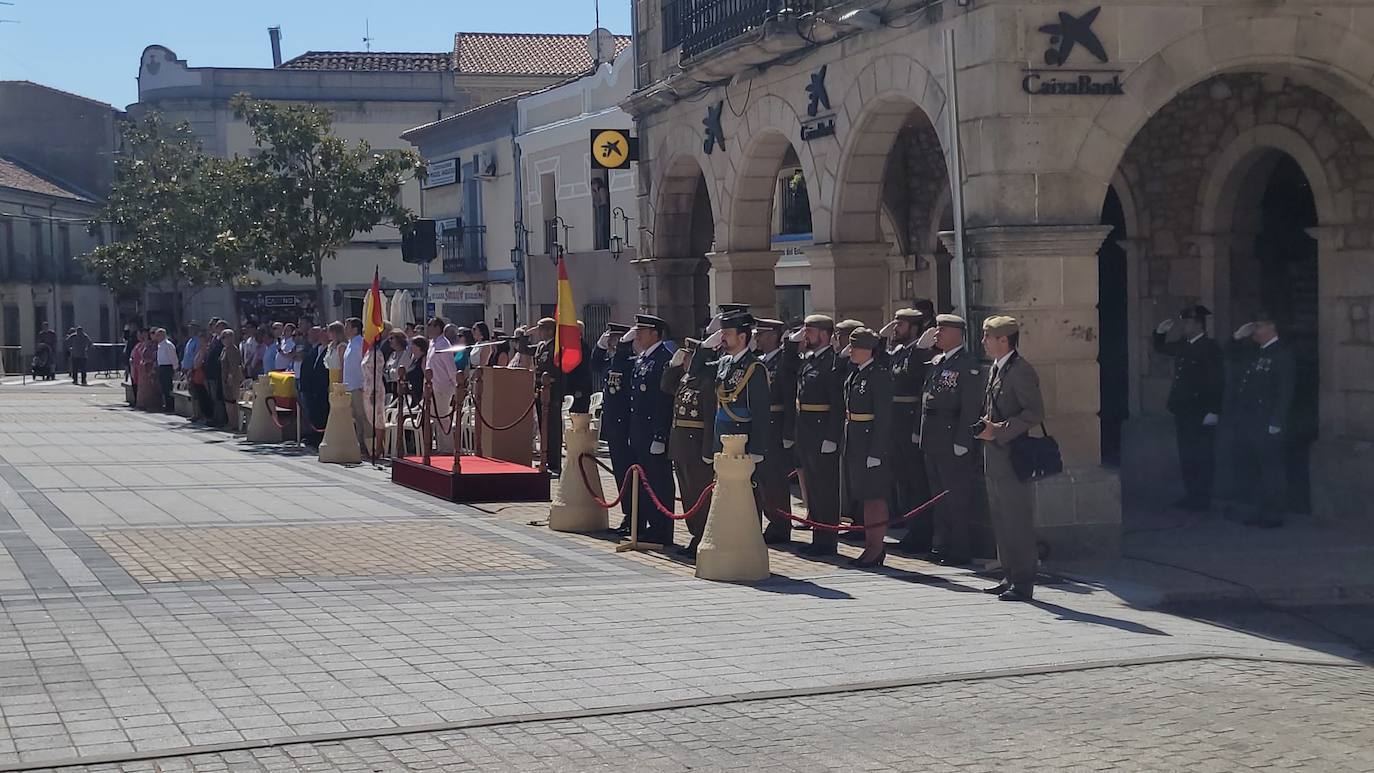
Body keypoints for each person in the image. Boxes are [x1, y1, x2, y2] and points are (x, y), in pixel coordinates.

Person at [975, 316, 1044, 602]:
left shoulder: (1021, 371)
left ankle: (1024, 581)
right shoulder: (998, 368)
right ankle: (1010, 574)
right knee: (1001, 520)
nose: (983, 342)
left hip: (1013, 456)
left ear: (1004, 339)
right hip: (995, 456)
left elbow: (1034, 413)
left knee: (1017, 520)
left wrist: (999, 430)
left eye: (988, 337)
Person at [917, 314, 984, 566]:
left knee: (956, 497)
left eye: (942, 329)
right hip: (933, 437)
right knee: (938, 497)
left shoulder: (967, 364)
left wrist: (963, 440)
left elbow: (970, 406)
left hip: (951, 437)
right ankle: (940, 545)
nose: (937, 334)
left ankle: (960, 549)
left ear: (957, 333)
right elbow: (925, 399)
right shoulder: (936, 361)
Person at [1153, 305, 1225, 511]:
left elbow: (1217, 381)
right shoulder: (1185, 345)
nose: (1185, 326)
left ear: (1198, 324)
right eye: (1184, 321)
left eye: (1188, 322)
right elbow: (1162, 348)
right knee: (1187, 454)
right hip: (1183, 409)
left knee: (1202, 455)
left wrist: (1214, 410)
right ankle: (1191, 495)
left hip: (1201, 410)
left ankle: (1202, 498)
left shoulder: (1210, 347)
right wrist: (1160, 332)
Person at [1227, 313, 1295, 528]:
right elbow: (1230, 355)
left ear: (1271, 328)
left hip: (1268, 421)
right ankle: (1260, 510)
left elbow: (1285, 391)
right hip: (1251, 420)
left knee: (1271, 469)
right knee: (1256, 468)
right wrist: (1238, 336)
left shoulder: (1281, 353)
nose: (1255, 332)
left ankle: (1274, 513)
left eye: (1258, 327)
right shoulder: (1255, 352)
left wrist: (1277, 421)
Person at [790, 315, 847, 557]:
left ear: (824, 334)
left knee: (825, 490)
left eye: (810, 331)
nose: (805, 336)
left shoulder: (832, 363)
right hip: (806, 431)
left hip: (823, 431)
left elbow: (837, 403)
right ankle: (818, 536)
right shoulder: (810, 360)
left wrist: (832, 437)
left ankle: (827, 541)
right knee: (813, 488)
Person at [884, 307, 937, 555]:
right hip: (895, 426)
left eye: (901, 325)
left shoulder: (920, 354)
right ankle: (911, 529)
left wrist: (919, 350)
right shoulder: (899, 352)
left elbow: (918, 386)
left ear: (914, 329)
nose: (896, 329)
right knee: (903, 482)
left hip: (910, 424)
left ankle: (922, 532)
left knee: (917, 483)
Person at [842, 327, 893, 567]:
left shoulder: (878, 375)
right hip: (856, 443)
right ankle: (870, 546)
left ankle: (876, 547)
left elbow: (884, 417)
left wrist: (877, 451)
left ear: (868, 350)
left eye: (855, 347)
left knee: (874, 498)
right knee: (864, 496)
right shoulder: (857, 373)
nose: (850, 351)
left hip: (870, 444)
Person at [663, 336, 714, 557]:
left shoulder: (707, 380)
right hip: (681, 446)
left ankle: (702, 535)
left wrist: (708, 451)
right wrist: (673, 366)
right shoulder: (686, 379)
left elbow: (710, 418)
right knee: (687, 495)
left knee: (698, 494)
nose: (686, 361)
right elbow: (665, 386)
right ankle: (695, 534)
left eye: (689, 356)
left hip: (697, 448)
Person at [627, 314, 676, 546]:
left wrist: (660, 435)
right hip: (640, 430)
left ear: (655, 333)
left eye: (642, 331)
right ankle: (649, 525)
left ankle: (662, 529)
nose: (637, 335)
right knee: (644, 481)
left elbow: (663, 401)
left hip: (654, 431)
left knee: (659, 481)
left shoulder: (663, 359)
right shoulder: (642, 359)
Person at [755, 318, 797, 545]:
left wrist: (789, 432)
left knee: (775, 480)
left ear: (773, 335)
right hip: (761, 425)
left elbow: (790, 399)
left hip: (776, 425)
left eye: (761, 334)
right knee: (762, 479)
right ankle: (772, 522)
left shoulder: (783, 362)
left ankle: (781, 525)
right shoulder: (760, 362)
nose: (757, 338)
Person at [593, 322, 637, 534]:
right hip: (612, 424)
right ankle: (628, 514)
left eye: (613, 338)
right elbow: (595, 365)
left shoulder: (627, 362)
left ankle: (633, 516)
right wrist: (599, 347)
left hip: (624, 424)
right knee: (620, 473)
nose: (609, 341)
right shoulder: (613, 360)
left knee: (629, 474)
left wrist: (622, 347)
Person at [424, 317, 457, 453]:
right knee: (434, 419)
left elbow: (450, 367)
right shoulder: (432, 343)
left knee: (442, 418)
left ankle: (448, 448)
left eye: (431, 326)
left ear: (438, 328)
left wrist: (456, 385)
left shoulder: (444, 344)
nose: (428, 328)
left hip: (442, 387)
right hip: (432, 387)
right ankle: (439, 446)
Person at [343, 317, 369, 454]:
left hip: (358, 386)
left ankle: (366, 444)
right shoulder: (350, 343)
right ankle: (359, 443)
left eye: (347, 327)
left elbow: (365, 364)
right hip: (349, 386)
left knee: (362, 416)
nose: (345, 329)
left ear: (355, 329)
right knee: (355, 418)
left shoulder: (360, 343)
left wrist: (363, 383)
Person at [219, 328, 244, 431]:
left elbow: (234, 365)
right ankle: (230, 422)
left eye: (225, 337)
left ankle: (234, 424)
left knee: (232, 401)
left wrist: (230, 376)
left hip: (232, 379)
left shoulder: (232, 349)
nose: (223, 340)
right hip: (224, 377)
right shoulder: (224, 349)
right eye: (222, 337)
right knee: (227, 401)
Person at [136, 330, 161, 412]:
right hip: (145, 368)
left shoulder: (157, 345)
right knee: (145, 388)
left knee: (153, 387)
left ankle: (154, 404)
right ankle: (144, 403)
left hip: (153, 367)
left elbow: (155, 356)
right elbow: (143, 353)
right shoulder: (149, 344)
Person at [155, 328, 178, 412]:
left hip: (168, 367)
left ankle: (171, 405)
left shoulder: (168, 345)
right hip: (161, 367)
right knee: (164, 387)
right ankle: (166, 404)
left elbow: (173, 357)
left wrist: (175, 369)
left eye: (158, 335)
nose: (156, 337)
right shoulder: (159, 345)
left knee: (168, 387)